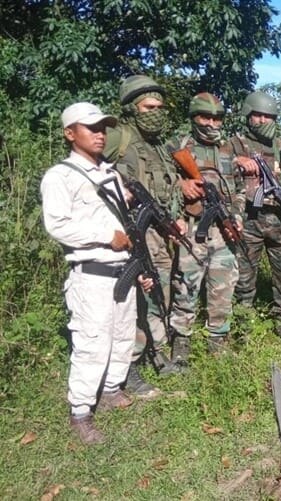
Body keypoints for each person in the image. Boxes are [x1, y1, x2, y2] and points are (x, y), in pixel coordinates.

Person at [41, 102, 145, 444]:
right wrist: (105, 236)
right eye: (91, 128)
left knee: (123, 334)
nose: (100, 135)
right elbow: (57, 225)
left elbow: (123, 222)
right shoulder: (61, 176)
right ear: (70, 133)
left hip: (122, 270)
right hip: (92, 274)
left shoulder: (110, 173)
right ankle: (81, 412)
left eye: (103, 129)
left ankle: (113, 389)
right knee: (92, 342)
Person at [104, 75, 182, 396]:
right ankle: (128, 365)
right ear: (131, 108)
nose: (156, 113)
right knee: (130, 301)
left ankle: (155, 350)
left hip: (158, 233)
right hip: (127, 234)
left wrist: (175, 220)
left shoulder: (159, 145)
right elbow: (86, 171)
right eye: (149, 107)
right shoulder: (117, 138)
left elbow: (169, 188)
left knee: (158, 293)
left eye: (160, 107)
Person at [168, 93, 243, 361]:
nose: (211, 123)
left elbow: (240, 189)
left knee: (223, 285)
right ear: (193, 118)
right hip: (191, 228)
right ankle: (181, 339)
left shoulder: (228, 149)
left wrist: (237, 215)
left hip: (224, 229)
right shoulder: (178, 146)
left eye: (216, 118)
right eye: (205, 117)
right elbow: (161, 182)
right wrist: (181, 186)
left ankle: (218, 337)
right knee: (186, 285)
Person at [230, 91, 281, 342]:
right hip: (249, 219)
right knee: (244, 276)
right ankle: (243, 324)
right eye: (258, 115)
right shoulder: (235, 143)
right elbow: (214, 165)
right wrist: (236, 161)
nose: (263, 120)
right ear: (248, 115)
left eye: (268, 116)